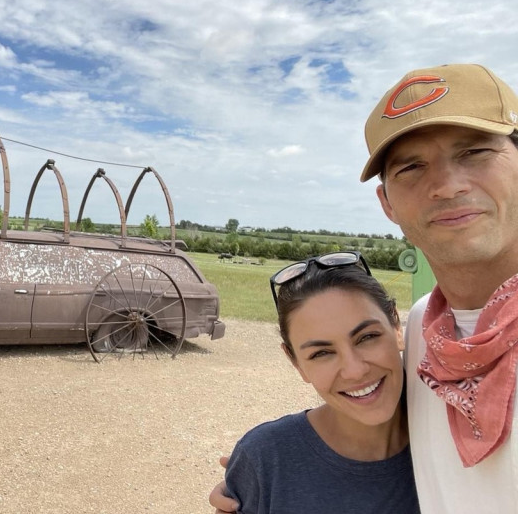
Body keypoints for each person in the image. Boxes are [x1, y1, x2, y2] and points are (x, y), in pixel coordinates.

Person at [211, 63, 518, 513]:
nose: (447, 185)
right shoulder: (422, 331)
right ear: (387, 204)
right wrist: (269, 473)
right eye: (411, 167)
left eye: (473, 152)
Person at [223, 251, 419, 513]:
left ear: (396, 326)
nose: (354, 371)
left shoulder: (452, 432)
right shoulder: (266, 461)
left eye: (367, 337)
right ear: (296, 363)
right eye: (322, 353)